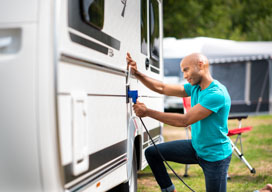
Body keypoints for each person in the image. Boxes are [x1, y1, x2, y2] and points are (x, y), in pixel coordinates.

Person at [126, 52, 233, 192]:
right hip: (197, 147)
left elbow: (185, 120)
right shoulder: (196, 87)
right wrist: (137, 73)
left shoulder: (216, 94)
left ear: (200, 65)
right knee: (152, 153)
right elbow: (162, 88)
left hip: (215, 156)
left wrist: (148, 112)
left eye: (186, 70)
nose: (184, 76)